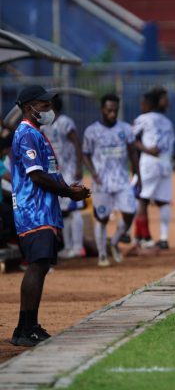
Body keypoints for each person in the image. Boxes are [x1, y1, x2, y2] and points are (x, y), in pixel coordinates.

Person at [10, 85, 90, 346]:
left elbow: (49, 172)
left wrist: (68, 188)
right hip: (33, 211)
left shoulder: (37, 134)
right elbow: (36, 175)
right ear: (29, 107)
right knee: (37, 265)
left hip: (43, 209)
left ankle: (27, 327)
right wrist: (68, 192)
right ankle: (25, 328)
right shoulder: (26, 135)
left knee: (41, 265)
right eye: (43, 104)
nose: (48, 109)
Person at [83, 94, 140, 267]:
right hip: (101, 182)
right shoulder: (91, 131)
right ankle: (102, 255)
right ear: (102, 110)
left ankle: (114, 242)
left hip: (122, 180)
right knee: (102, 217)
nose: (113, 114)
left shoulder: (125, 129)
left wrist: (138, 175)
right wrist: (93, 173)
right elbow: (85, 154)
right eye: (109, 110)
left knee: (130, 211)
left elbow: (132, 152)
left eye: (115, 110)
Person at [132, 87, 175, 249]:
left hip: (150, 162)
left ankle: (145, 237)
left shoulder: (144, 118)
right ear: (156, 101)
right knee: (163, 201)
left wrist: (145, 149)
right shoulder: (166, 122)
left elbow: (132, 138)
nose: (168, 102)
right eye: (165, 99)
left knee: (142, 199)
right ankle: (163, 238)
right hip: (165, 163)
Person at [41, 95, 86, 258]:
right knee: (64, 211)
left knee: (74, 209)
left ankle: (78, 246)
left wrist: (79, 166)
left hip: (71, 171)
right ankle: (68, 247)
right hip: (57, 173)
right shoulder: (44, 126)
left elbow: (77, 143)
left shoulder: (66, 122)